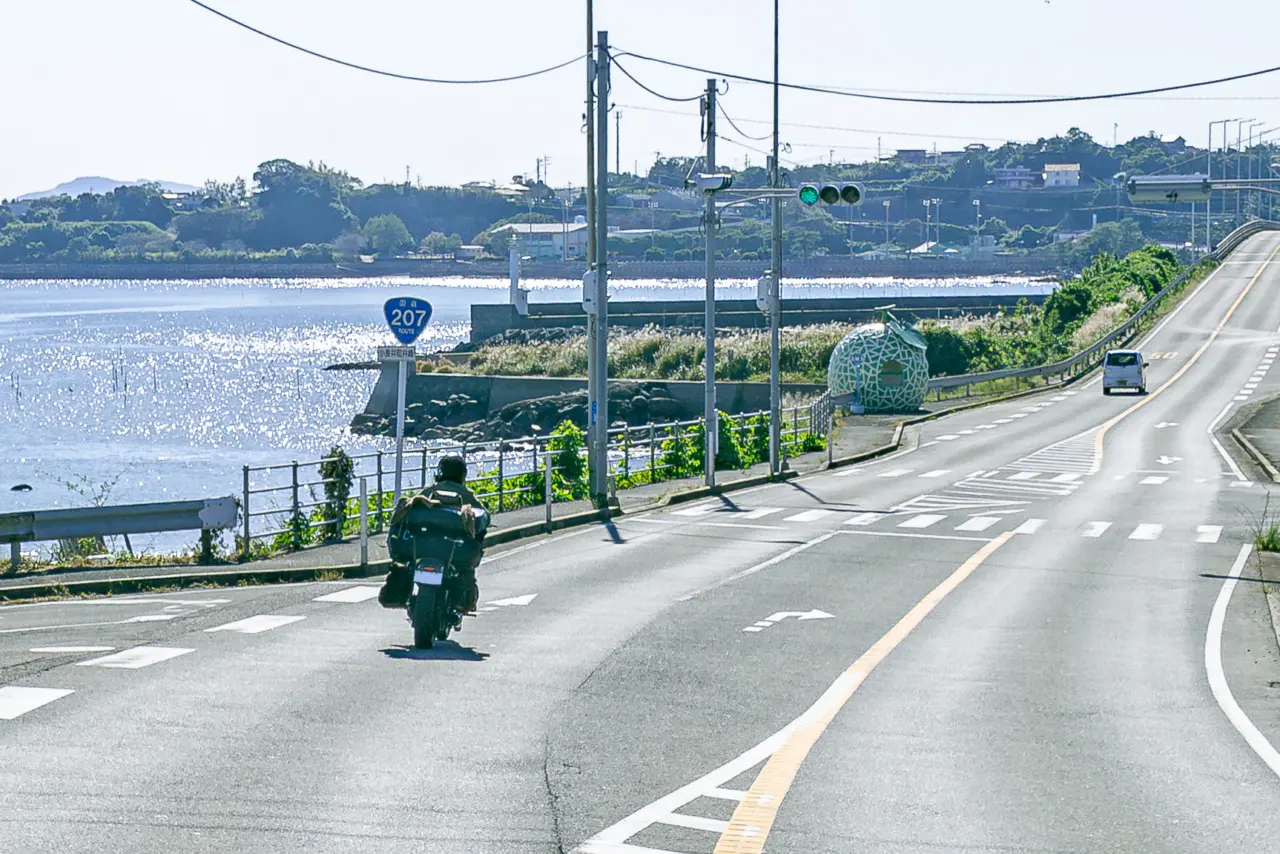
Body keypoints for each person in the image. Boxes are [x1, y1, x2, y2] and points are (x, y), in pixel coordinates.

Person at [379, 455, 489, 615]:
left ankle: (405, 596)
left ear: (440, 472)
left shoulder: (429, 492)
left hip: (422, 548)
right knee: (465, 571)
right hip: (450, 551)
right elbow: (484, 517)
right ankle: (462, 603)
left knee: (405, 568)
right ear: (462, 475)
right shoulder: (467, 495)